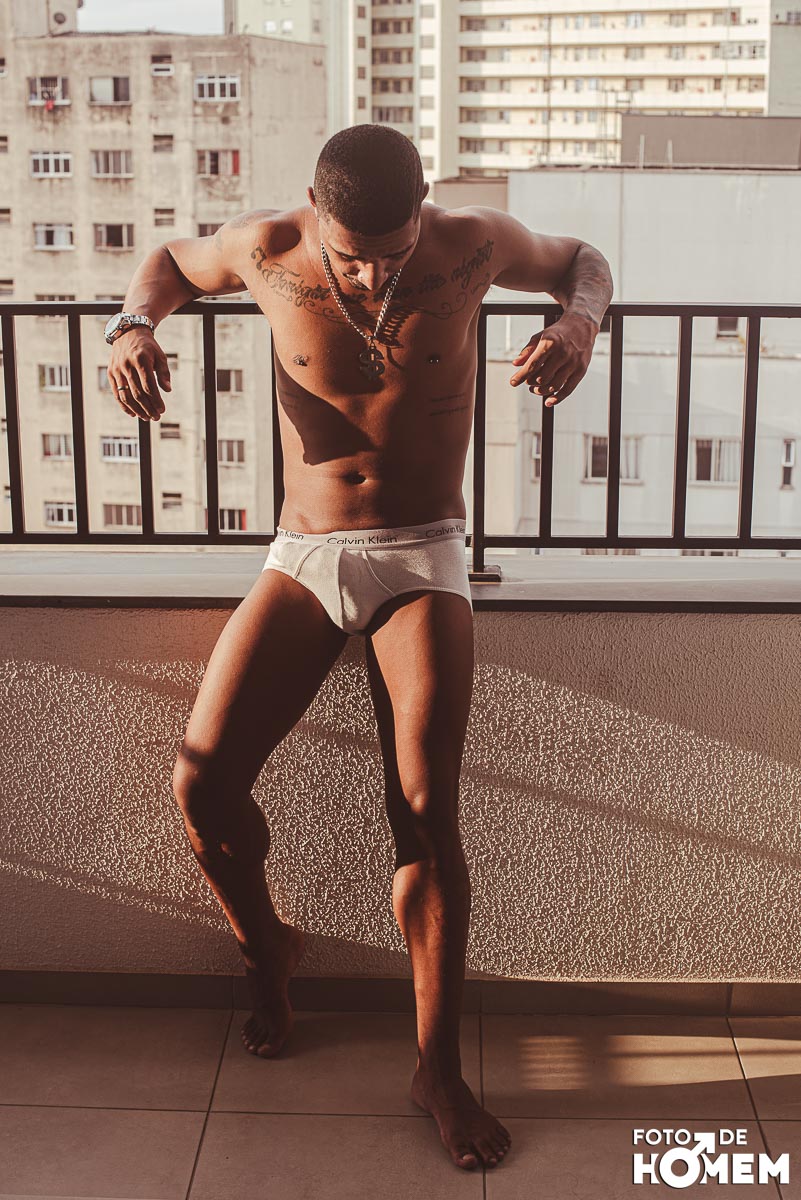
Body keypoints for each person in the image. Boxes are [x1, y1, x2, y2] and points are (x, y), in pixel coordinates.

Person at [107, 123, 613, 1172]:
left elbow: (581, 259)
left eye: (394, 250)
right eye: (355, 256)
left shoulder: (471, 243)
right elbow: (166, 265)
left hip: (423, 557)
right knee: (201, 785)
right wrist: (131, 326)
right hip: (305, 553)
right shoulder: (266, 247)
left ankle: (438, 1069)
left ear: (423, 208)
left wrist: (579, 321)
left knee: (425, 814)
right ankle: (269, 949)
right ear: (315, 210)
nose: (377, 274)